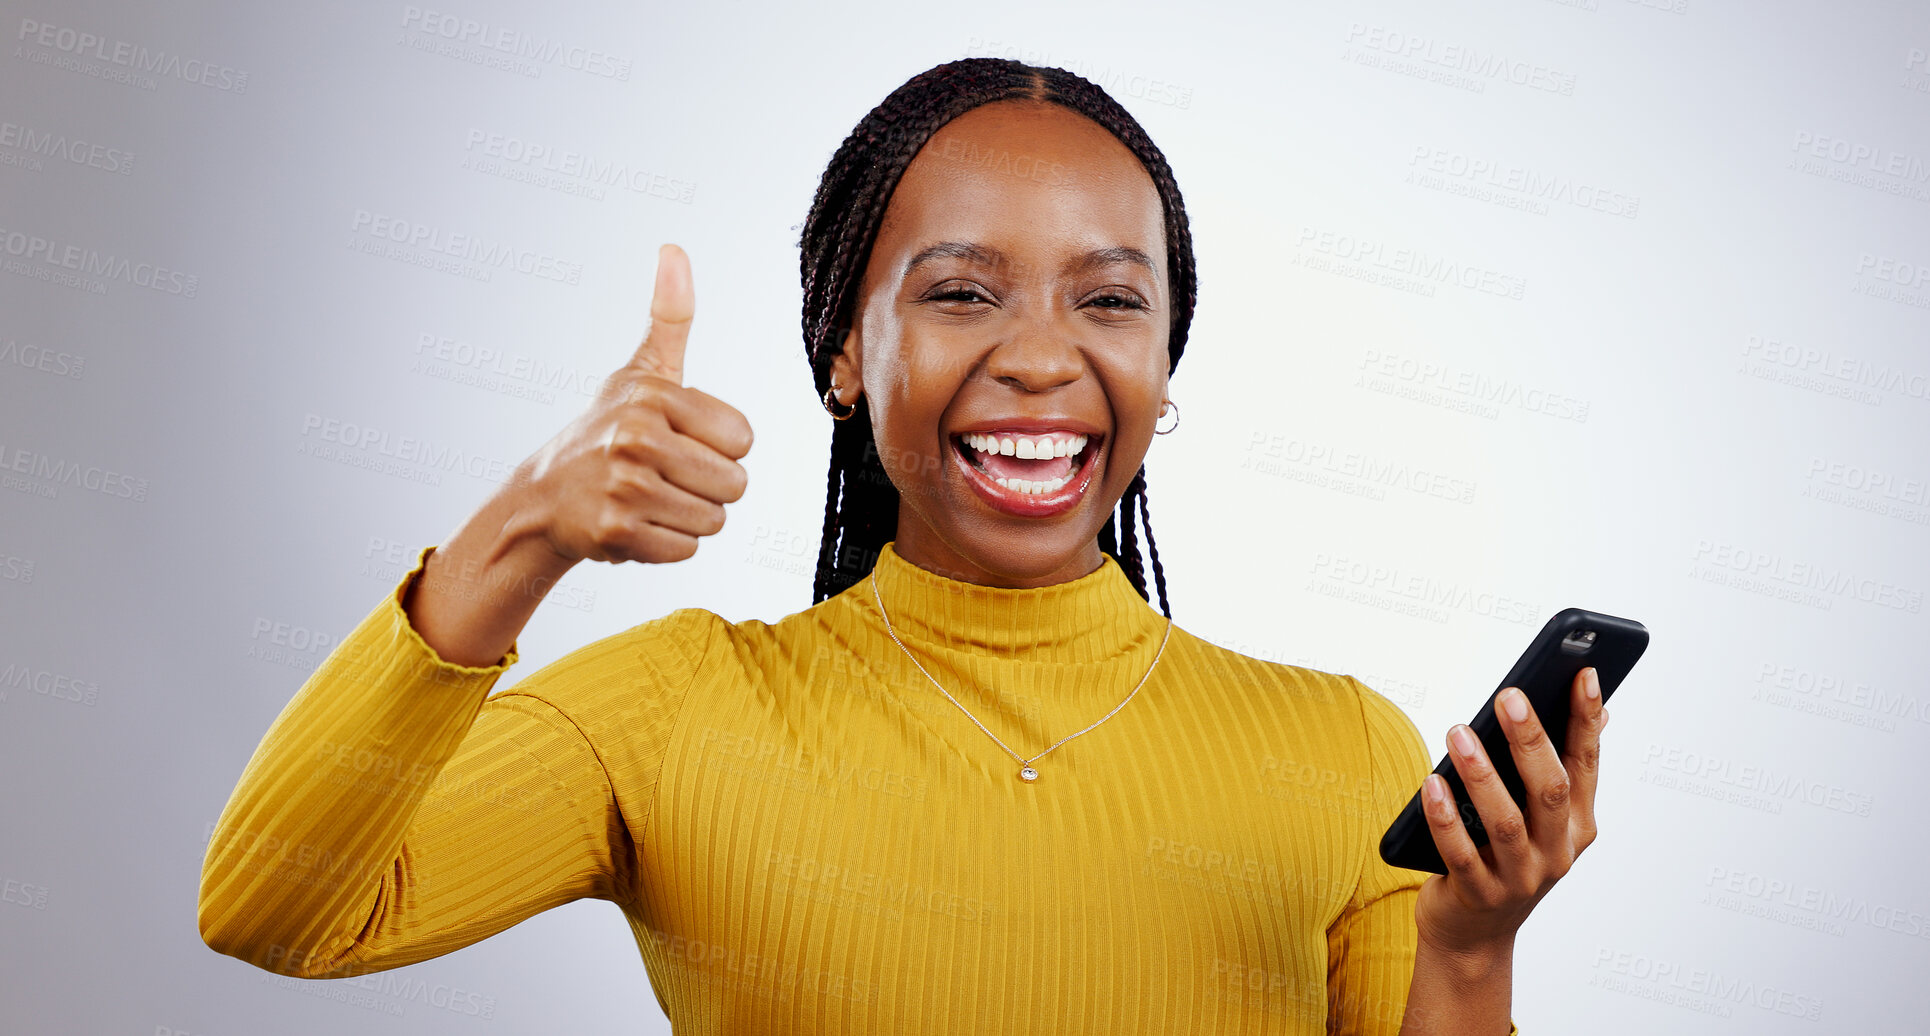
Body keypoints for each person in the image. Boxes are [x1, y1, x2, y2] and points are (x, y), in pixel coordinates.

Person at [198, 58, 1607, 1034]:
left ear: (1167, 363)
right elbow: (275, 918)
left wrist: (1471, 951)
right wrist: (518, 531)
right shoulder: (673, 708)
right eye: (960, 292)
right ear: (843, 358)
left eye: (1109, 302)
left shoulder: (1338, 749)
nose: (1041, 359)